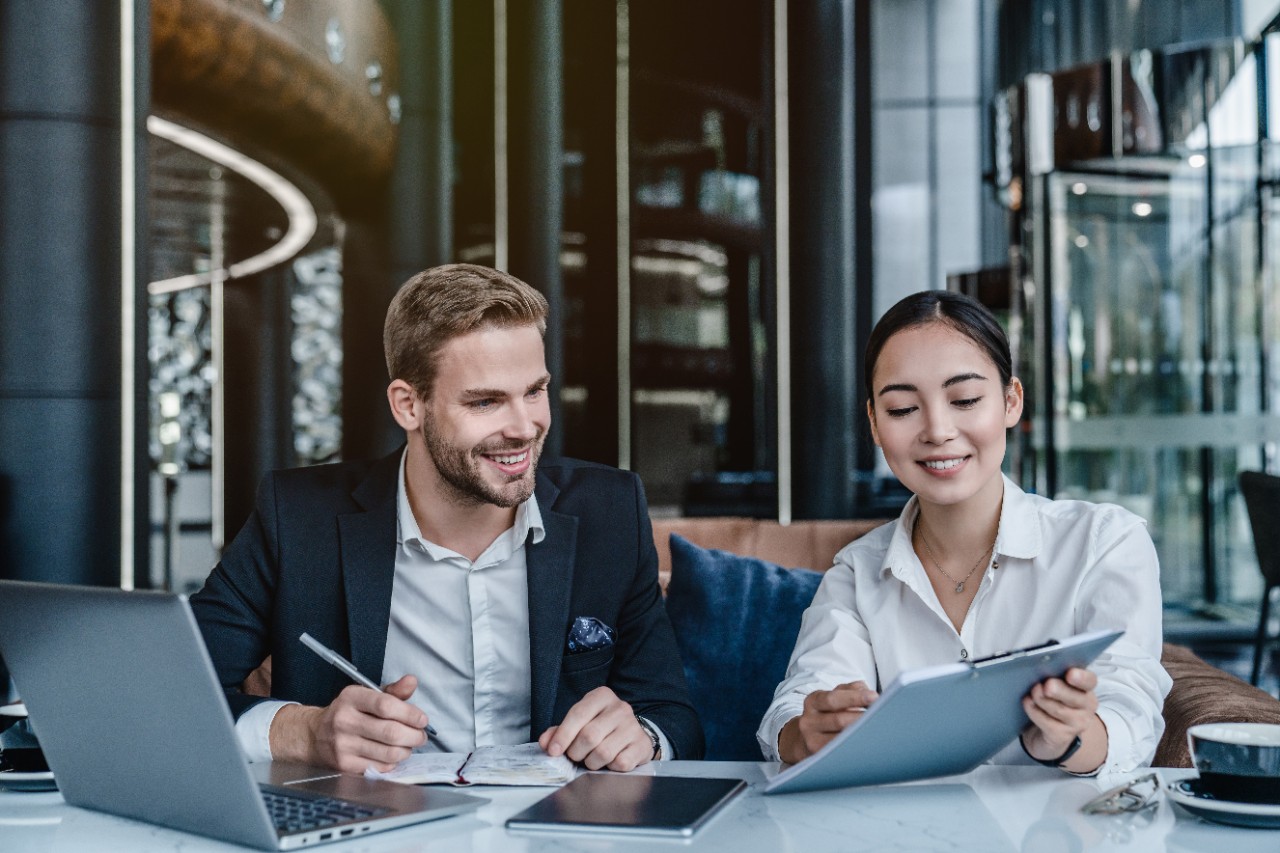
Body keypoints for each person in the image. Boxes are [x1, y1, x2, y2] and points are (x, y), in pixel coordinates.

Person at [191, 263, 703, 775]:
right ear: (409, 405)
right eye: (486, 401)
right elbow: (167, 689)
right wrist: (301, 732)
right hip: (371, 830)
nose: (525, 427)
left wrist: (644, 737)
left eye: (535, 391)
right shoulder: (299, 518)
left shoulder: (610, 512)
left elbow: (673, 716)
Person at [757, 290, 1171, 777]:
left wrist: (1070, 736)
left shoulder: (1103, 543)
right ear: (873, 422)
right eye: (902, 409)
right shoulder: (857, 571)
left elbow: (1132, 711)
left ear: (1011, 401)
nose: (937, 430)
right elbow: (799, 703)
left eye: (965, 399)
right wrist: (807, 732)